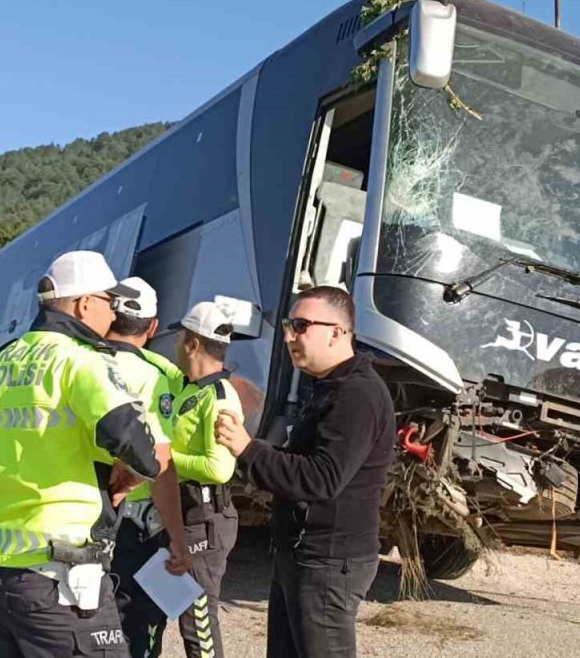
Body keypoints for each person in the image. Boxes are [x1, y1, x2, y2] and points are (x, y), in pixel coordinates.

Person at [0, 250, 182, 658]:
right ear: (85, 303)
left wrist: (5, 473)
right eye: (108, 301)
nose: (113, 314)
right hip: (59, 576)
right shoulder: (82, 360)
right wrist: (132, 470)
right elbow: (137, 444)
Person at [216, 286, 394, 658]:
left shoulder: (356, 395)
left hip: (329, 562)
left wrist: (248, 449)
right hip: (303, 554)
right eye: (287, 325)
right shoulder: (329, 387)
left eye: (300, 325)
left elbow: (321, 479)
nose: (288, 336)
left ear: (337, 332)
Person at [104, 278, 192, 658]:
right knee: (137, 622)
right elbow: (159, 461)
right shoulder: (158, 373)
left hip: (72, 510)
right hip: (135, 520)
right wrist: (177, 535)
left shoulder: (74, 358)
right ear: (153, 326)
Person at [163, 300, 243, 658]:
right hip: (180, 514)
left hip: (204, 520)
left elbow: (219, 468)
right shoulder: (188, 388)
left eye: (180, 337)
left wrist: (161, 458)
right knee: (169, 607)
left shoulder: (220, 397)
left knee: (198, 624)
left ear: (193, 344)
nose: (176, 343)